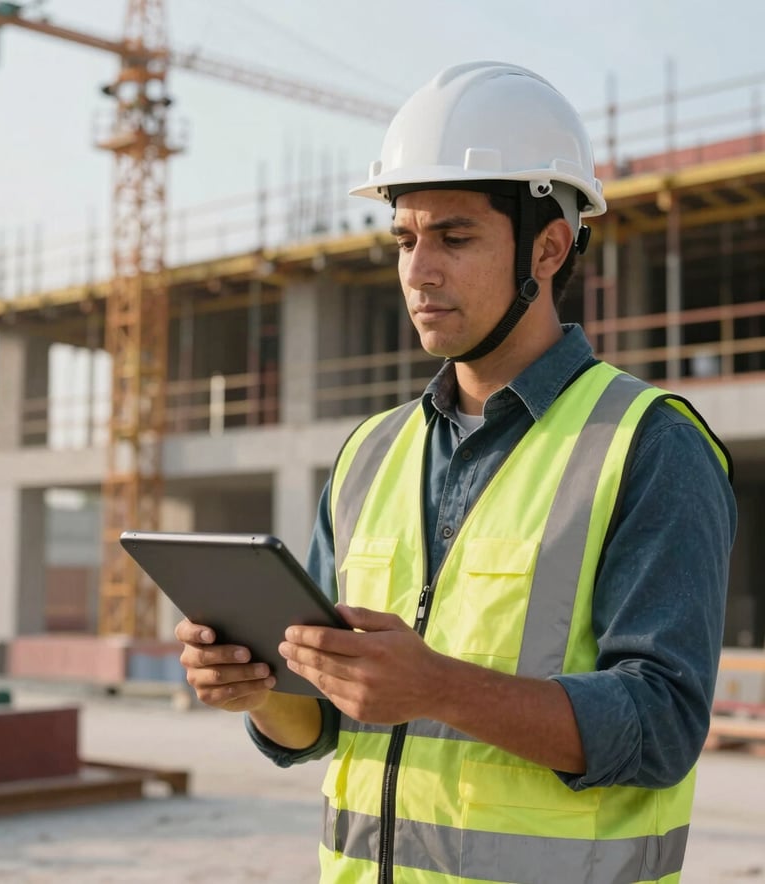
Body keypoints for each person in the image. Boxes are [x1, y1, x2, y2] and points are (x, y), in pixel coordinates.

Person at [176, 62, 736, 884]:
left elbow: (661, 726)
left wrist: (436, 686)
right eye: (405, 238)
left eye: (455, 237)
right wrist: (258, 690)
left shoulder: (648, 445)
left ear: (548, 247)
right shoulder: (371, 453)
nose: (418, 269)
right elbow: (322, 721)